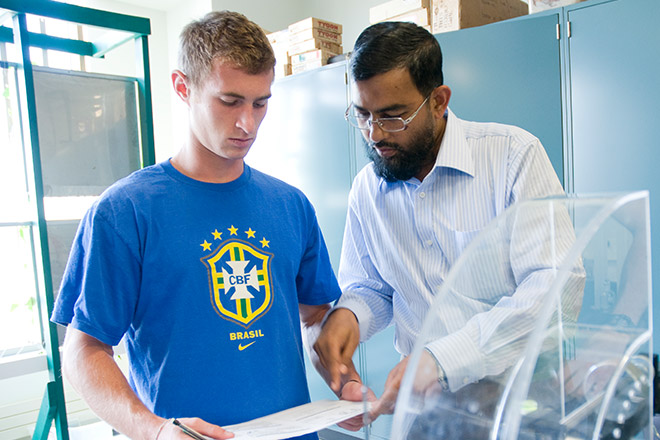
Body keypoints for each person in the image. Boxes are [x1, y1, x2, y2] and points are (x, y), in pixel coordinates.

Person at [51, 11, 341, 440]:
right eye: (230, 101)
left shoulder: (291, 205)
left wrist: (339, 371)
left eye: (261, 102)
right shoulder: (125, 211)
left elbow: (315, 314)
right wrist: (154, 430)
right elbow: (82, 350)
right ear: (183, 88)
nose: (249, 123)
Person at [312, 21, 585, 428]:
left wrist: (442, 359)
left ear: (438, 101)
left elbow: (556, 290)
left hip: (517, 408)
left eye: (393, 116)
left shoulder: (512, 157)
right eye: (363, 115)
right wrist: (348, 316)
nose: (375, 135)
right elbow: (372, 286)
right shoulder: (367, 189)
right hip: (427, 418)